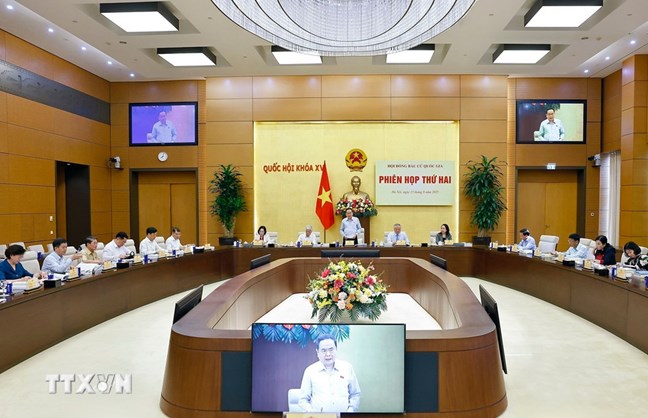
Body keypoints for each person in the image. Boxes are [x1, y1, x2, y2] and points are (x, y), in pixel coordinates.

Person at [298, 334, 361, 413]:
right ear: (317, 352)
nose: (328, 354)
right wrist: (313, 413)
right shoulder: (310, 371)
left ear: (336, 349)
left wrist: (350, 411)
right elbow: (303, 400)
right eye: (324, 350)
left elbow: (355, 394)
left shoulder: (347, 368)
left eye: (331, 349)